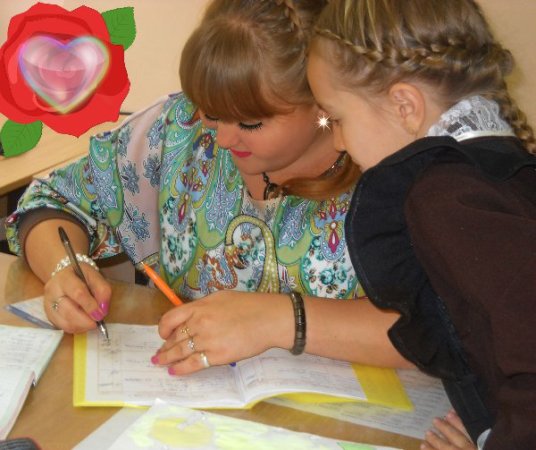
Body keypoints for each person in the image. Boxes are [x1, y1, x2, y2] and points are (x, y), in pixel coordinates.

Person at [5, 0, 411, 375]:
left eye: (250, 122)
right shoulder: (179, 130)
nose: (223, 140)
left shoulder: (389, 165)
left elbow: (437, 324)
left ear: (322, 99)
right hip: (191, 402)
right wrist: (65, 268)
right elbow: (52, 201)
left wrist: (278, 319)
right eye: (212, 114)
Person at [307, 0, 536, 449]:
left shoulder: (445, 198)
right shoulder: (492, 168)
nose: (337, 141)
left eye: (336, 119)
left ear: (405, 105)